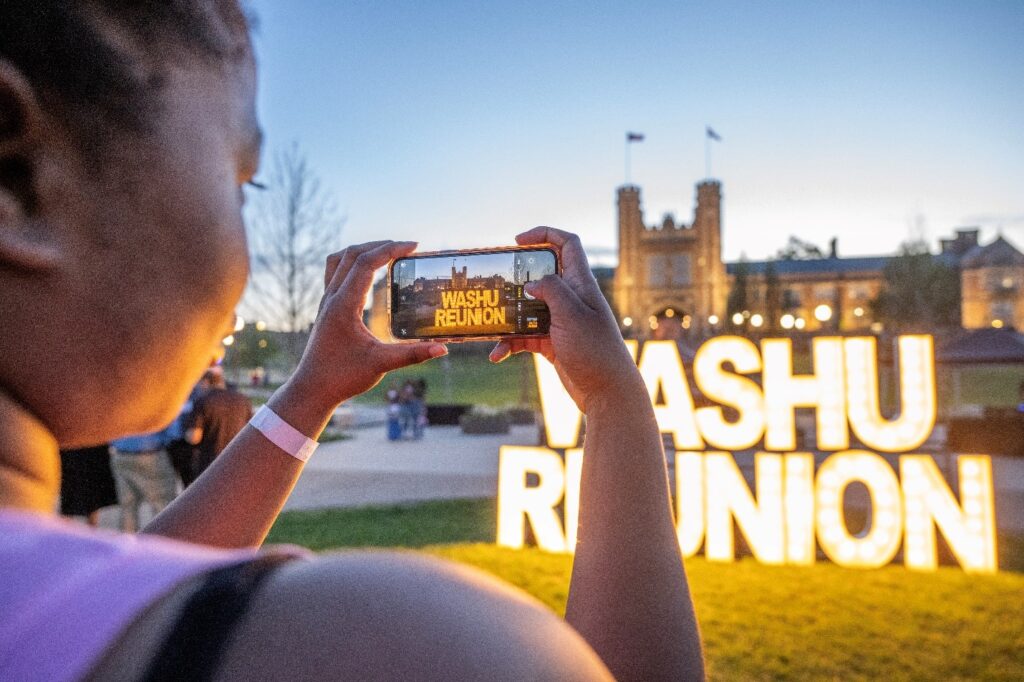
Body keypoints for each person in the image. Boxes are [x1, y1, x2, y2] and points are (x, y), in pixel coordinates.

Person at [0, 4, 703, 681]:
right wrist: (617, 406)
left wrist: (308, 395)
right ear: (17, 182)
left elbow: (119, 590)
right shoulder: (383, 640)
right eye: (242, 181)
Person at [184, 367, 253, 479]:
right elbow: (250, 430)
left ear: (205, 381)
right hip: (238, 461)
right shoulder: (243, 399)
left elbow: (194, 437)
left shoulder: (203, 401)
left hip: (210, 464)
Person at [110, 430, 179, 533]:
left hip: (120, 454)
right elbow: (175, 432)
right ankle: (163, 545)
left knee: (128, 507)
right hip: (150, 454)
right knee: (163, 506)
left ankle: (126, 545)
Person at [59, 445, 118, 527]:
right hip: (87, 449)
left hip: (75, 450)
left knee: (71, 495)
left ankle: (64, 532)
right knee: (90, 494)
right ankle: (88, 529)